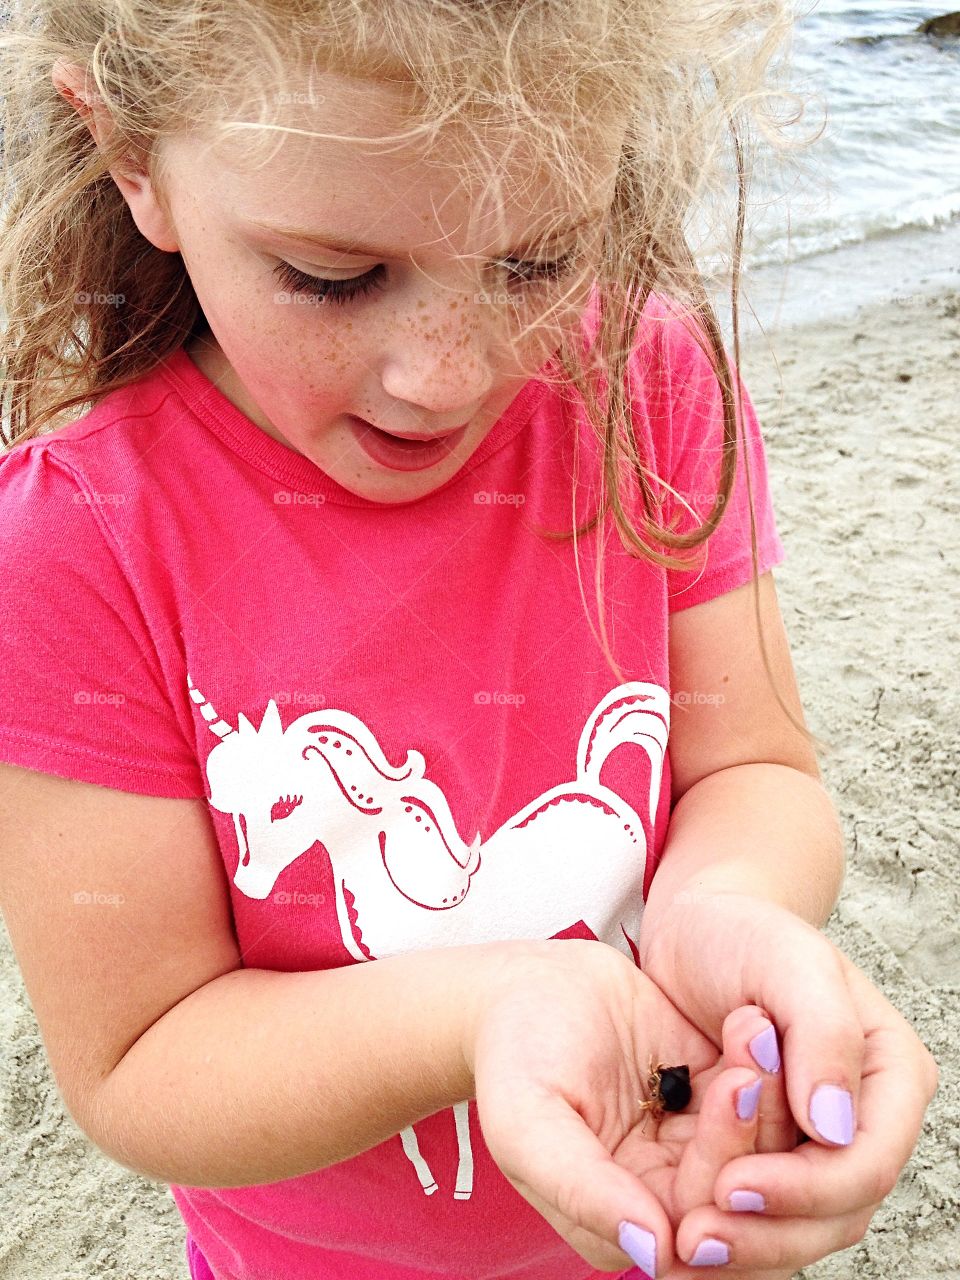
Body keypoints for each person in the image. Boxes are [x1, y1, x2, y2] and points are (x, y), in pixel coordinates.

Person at [0, 3, 937, 1279]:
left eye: (540, 261)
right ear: (128, 156)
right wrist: (499, 1003)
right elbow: (140, 1056)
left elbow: (754, 769)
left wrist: (726, 912)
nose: (444, 374)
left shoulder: (645, 383)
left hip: (674, 1216)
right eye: (333, 277)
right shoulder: (83, 539)